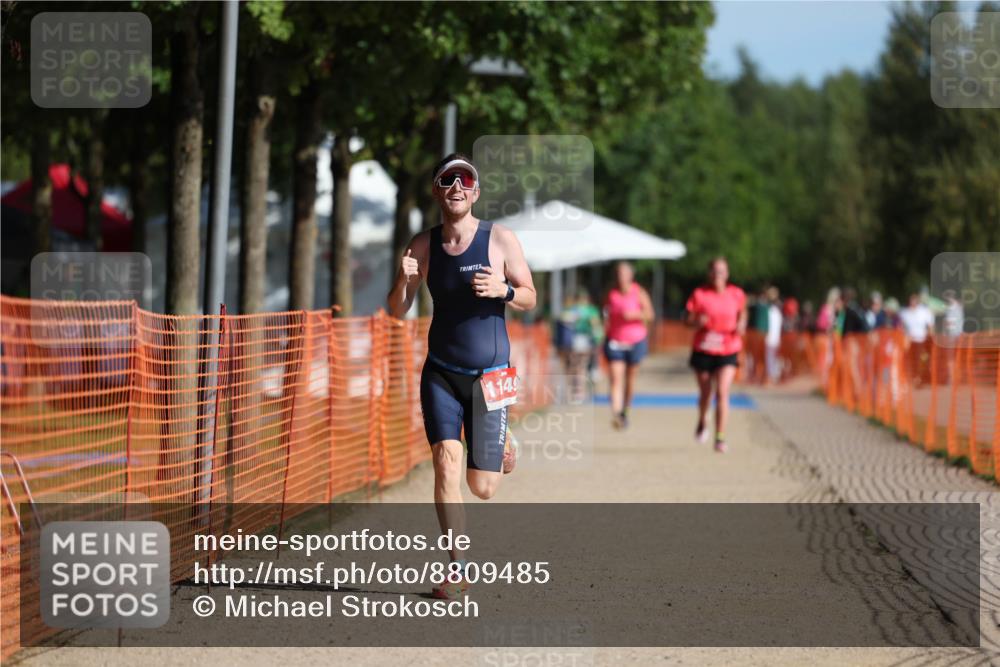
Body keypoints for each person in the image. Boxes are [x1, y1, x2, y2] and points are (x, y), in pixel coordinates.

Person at [387, 153, 536, 599]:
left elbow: (530, 296)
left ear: (475, 191)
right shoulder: (422, 245)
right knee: (446, 463)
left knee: (483, 487)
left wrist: (504, 290)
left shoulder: (500, 239)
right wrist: (402, 280)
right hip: (442, 374)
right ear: (437, 190)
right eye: (447, 179)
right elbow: (397, 311)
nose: (456, 186)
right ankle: (457, 566)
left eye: (464, 179)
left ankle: (504, 441)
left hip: (491, 376)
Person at [685, 257, 747, 453]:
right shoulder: (699, 294)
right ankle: (703, 419)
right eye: (714, 271)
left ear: (727, 274)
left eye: (721, 271)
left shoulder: (736, 294)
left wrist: (742, 322)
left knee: (722, 391)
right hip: (703, 349)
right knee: (705, 393)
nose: (717, 275)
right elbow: (687, 320)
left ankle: (720, 437)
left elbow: (743, 312)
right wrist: (697, 321)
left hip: (728, 349)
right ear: (709, 273)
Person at [602, 261, 654, 430]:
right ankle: (617, 415)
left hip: (636, 340)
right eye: (618, 274)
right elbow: (605, 313)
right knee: (615, 379)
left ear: (631, 276)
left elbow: (650, 314)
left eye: (624, 274)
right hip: (615, 341)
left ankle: (625, 410)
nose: (621, 277)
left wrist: (635, 314)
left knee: (630, 378)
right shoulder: (611, 293)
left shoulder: (639, 292)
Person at [899, 293, 935, 386]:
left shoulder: (924, 311)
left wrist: (929, 337)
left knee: (921, 360)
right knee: (911, 361)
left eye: (914, 300)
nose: (913, 303)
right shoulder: (904, 313)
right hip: (909, 341)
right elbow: (901, 327)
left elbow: (930, 326)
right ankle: (915, 378)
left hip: (922, 341)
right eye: (911, 301)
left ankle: (921, 377)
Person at [764, 286, 784, 384]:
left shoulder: (774, 310)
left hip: (773, 338)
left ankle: (773, 376)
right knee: (771, 358)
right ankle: (771, 376)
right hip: (772, 337)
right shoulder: (772, 310)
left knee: (772, 358)